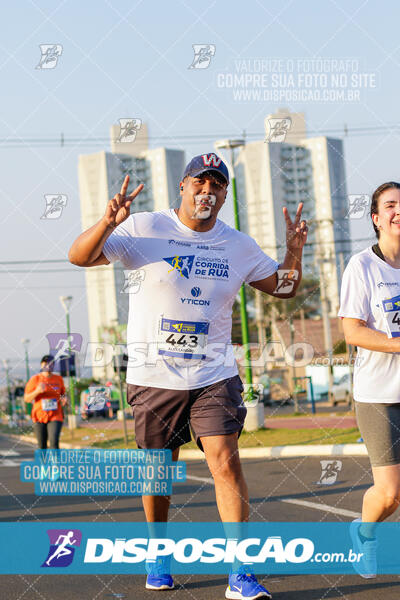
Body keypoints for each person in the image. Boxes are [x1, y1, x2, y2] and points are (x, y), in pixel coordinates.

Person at [68, 153, 308, 599]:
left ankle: (240, 571)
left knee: (226, 460)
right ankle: (158, 553)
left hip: (213, 373)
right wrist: (107, 221)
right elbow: (79, 258)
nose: (208, 191)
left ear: (223, 195)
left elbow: (286, 288)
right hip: (153, 374)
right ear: (183, 186)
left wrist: (294, 249)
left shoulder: (237, 244)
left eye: (217, 185)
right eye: (201, 182)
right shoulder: (144, 228)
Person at [339, 181, 400, 579]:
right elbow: (353, 332)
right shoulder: (362, 266)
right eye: (391, 205)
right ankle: (364, 533)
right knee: (391, 494)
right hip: (379, 394)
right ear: (377, 218)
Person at [24, 354, 67, 449]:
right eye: (46, 364)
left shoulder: (58, 379)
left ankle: (55, 463)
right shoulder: (35, 379)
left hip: (55, 415)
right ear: (41, 365)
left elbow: (63, 393)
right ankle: (43, 463)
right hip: (39, 415)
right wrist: (37, 391)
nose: (48, 366)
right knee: (42, 445)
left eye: (51, 364)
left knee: (54, 442)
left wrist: (64, 398)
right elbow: (27, 399)